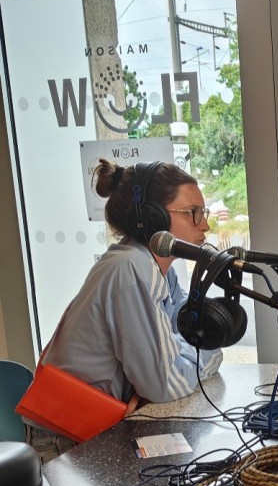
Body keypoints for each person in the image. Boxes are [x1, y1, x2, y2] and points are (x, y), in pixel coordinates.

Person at [25, 159, 224, 463]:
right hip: (62, 436)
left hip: (99, 425)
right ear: (153, 217)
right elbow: (165, 384)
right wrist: (204, 355)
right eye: (193, 212)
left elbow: (186, 338)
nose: (204, 225)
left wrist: (175, 365)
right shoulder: (131, 269)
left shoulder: (159, 271)